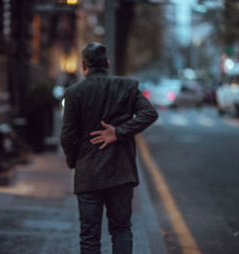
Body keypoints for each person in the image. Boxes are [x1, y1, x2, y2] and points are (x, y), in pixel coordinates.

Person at [60, 42, 158, 254]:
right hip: (120, 172)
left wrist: (74, 161)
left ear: (84, 66)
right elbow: (149, 114)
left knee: (89, 236)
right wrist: (119, 132)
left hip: (88, 174)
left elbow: (67, 137)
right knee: (121, 230)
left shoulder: (75, 93)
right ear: (107, 63)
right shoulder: (127, 87)